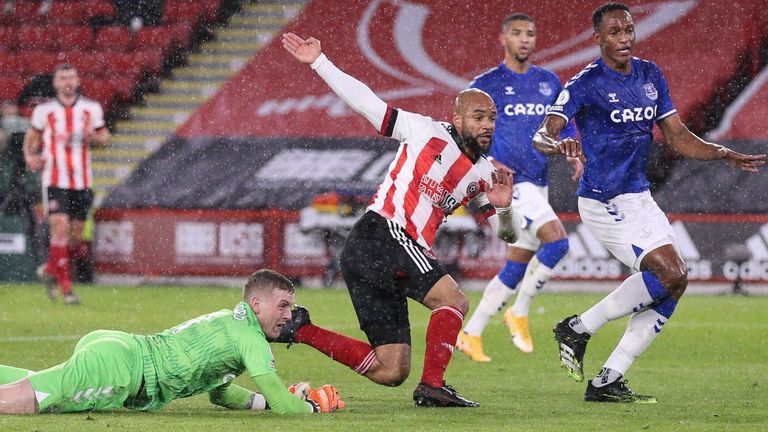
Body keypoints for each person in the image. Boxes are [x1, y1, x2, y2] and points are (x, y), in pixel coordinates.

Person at [536, 2, 766, 403]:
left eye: (628, 30)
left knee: (674, 283)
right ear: (598, 40)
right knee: (670, 272)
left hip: (638, 196)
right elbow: (543, 135)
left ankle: (608, 378)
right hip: (602, 199)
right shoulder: (585, 83)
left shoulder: (650, 75)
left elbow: (677, 138)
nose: (624, 38)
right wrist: (560, 144)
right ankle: (579, 326)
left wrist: (723, 153)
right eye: (615, 33)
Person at [278, 32, 521, 408]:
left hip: (370, 254)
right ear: (456, 118)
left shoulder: (486, 175)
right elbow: (366, 102)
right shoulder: (423, 129)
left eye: (491, 118)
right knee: (453, 301)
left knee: (390, 370)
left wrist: (504, 207)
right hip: (384, 232)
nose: (486, 124)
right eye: (477, 117)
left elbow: (507, 235)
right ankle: (433, 387)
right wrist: (319, 62)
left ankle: (299, 328)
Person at [0, 269, 345, 415]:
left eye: (292, 307)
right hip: (123, 371)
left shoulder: (232, 323)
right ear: (257, 305)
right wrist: (311, 408)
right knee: (40, 400)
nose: (288, 315)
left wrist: (265, 403)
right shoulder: (251, 338)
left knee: (39, 382)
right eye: (282, 305)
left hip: (119, 351)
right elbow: (287, 407)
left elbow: (220, 391)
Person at [457, 13, 581, 361]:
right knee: (557, 243)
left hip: (537, 182)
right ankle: (520, 310)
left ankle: (471, 332)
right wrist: (489, 161)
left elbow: (563, 121)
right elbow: (462, 130)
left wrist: (571, 148)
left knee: (515, 266)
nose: (524, 39)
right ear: (503, 39)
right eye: (517, 33)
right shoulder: (486, 84)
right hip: (510, 183)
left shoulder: (547, 81)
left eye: (530, 33)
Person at [23, 64, 110, 305]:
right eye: (63, 77)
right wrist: (30, 156)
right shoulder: (44, 111)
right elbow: (32, 136)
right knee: (59, 228)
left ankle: (51, 267)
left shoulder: (91, 109)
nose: (67, 81)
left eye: (71, 76)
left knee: (75, 238)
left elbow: (105, 137)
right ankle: (67, 289)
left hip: (82, 181)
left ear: (78, 80)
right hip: (54, 179)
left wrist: (94, 137)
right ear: (56, 84)